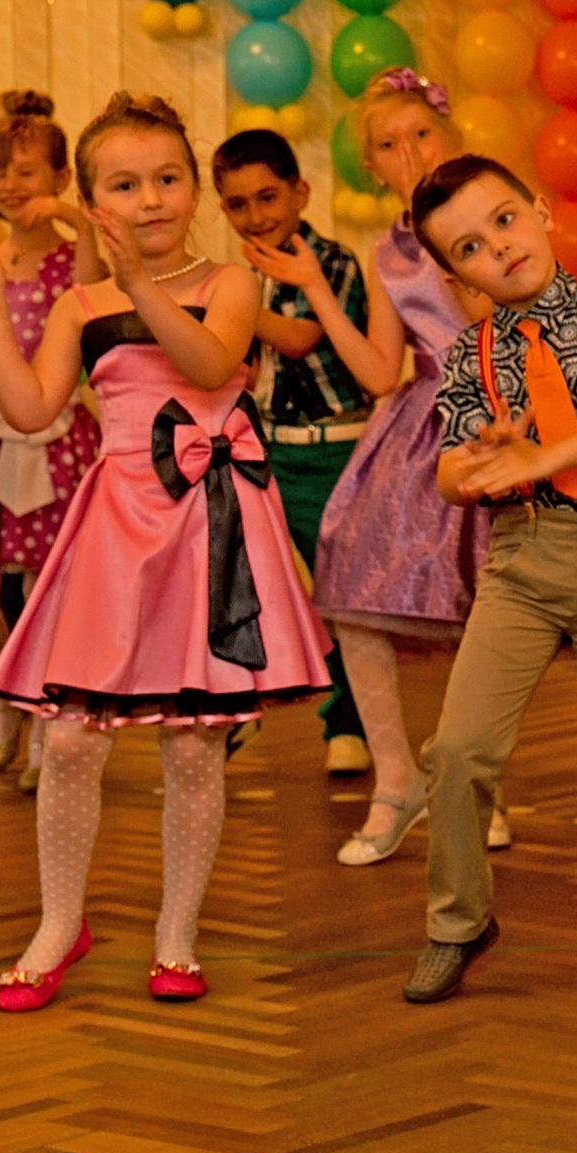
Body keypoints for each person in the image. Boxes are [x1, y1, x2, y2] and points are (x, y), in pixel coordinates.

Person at [0, 93, 333, 1011]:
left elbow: (209, 364)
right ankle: (58, 924)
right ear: (90, 200)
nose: (149, 198)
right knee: (72, 735)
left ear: (193, 188)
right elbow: (30, 409)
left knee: (194, 746)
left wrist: (141, 284)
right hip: (116, 526)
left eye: (166, 178)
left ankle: (176, 934)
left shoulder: (232, 281)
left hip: (208, 526)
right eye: (124, 184)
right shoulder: (79, 305)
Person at [400, 154, 577, 1003]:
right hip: (523, 556)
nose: (499, 248)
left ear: (542, 212)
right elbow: (450, 471)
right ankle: (458, 921)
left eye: (505, 220)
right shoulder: (470, 355)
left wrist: (547, 454)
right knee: (458, 749)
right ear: (456, 277)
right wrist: (478, 461)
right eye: (470, 247)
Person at [280, 69, 491, 868]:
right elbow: (377, 370)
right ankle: (396, 778)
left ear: (452, 137)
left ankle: (475, 784)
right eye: (388, 144)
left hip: (500, 414)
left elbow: (505, 322)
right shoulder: (385, 252)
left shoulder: (495, 218)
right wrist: (315, 290)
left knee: (487, 609)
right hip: (422, 422)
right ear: (371, 166)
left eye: (421, 134)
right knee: (352, 578)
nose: (409, 152)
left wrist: (455, 235)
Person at [213, 127, 374, 778]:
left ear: (300, 192)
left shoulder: (331, 261)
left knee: (340, 593)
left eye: (268, 197)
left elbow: (302, 336)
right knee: (239, 576)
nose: (256, 215)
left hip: (332, 452)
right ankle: (238, 701)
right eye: (238, 204)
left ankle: (348, 722)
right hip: (263, 447)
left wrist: (225, 307)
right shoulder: (238, 276)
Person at [0, 91, 105, 790]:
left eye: (27, 171)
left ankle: (51, 710)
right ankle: (6, 696)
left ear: (58, 177)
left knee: (54, 587)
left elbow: (93, 287)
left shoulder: (73, 259)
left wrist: (71, 216)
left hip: (58, 437)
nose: (11, 185)